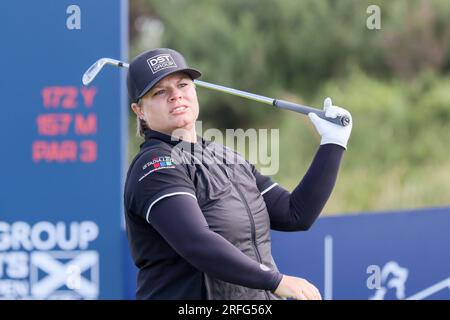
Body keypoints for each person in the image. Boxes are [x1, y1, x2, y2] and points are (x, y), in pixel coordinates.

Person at [124, 48, 352, 300]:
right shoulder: (155, 165)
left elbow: (295, 214)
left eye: (182, 85)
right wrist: (275, 281)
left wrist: (333, 143)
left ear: (195, 90)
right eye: (160, 92)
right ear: (140, 111)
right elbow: (196, 242)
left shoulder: (224, 156)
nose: (176, 96)